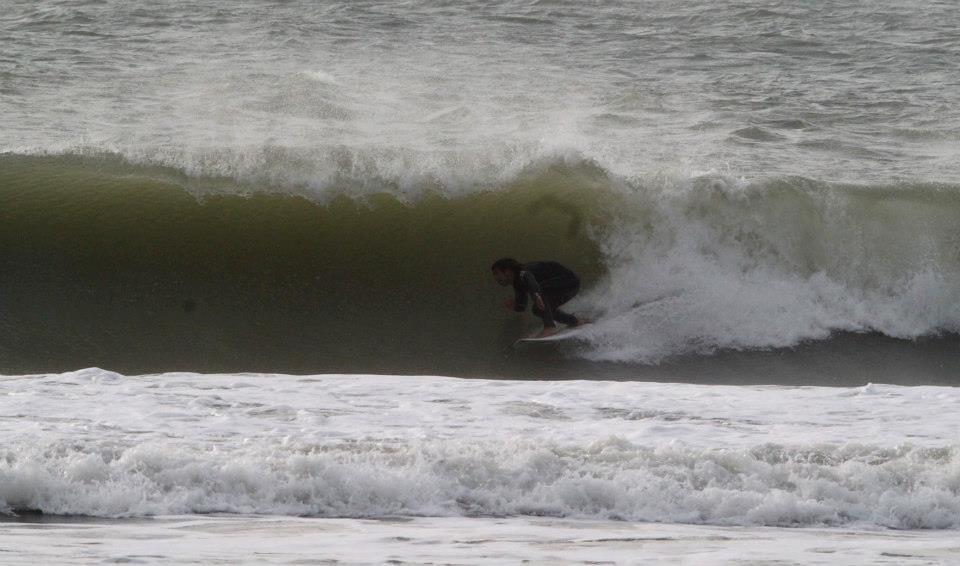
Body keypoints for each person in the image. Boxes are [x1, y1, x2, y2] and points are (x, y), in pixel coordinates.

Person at [491, 258, 585, 338]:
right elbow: (522, 306)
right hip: (564, 286)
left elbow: (531, 281)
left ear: (507, 271)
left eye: (496, 273)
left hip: (569, 280)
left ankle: (550, 327)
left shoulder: (523, 273)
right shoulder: (517, 284)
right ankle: (575, 321)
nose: (495, 278)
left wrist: (536, 295)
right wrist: (515, 306)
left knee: (541, 292)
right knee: (537, 310)